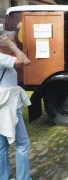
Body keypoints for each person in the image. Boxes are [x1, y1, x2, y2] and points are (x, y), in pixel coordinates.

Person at [0, 31, 32, 180]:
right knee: (22, 143)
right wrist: (11, 45)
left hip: (6, 105)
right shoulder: (2, 58)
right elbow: (25, 60)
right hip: (8, 106)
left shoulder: (5, 58)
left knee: (1, 147)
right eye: (12, 40)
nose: (15, 44)